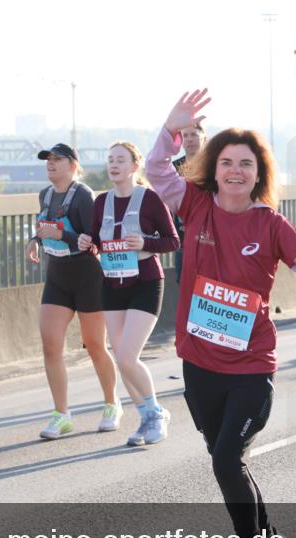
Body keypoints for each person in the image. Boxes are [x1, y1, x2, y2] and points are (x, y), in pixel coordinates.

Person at [147, 93, 296, 538]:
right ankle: (269, 536)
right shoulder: (195, 205)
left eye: (246, 165)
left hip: (251, 365)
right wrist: (172, 127)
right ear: (215, 169)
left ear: (259, 174)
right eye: (228, 163)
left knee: (226, 458)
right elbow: (155, 170)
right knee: (225, 457)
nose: (235, 171)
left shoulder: (270, 224)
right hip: (199, 363)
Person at [80, 142, 179, 445]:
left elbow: (172, 241)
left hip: (145, 281)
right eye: (110, 160)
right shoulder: (101, 202)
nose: (114, 165)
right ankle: (145, 416)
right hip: (112, 284)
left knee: (126, 355)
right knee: (122, 359)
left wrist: (146, 243)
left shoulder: (149, 199)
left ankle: (155, 412)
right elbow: (98, 242)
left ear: (135, 167)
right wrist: (88, 243)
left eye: (120, 160)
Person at [25, 143, 122, 439]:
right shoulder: (45, 194)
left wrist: (63, 235)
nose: (50, 164)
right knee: (50, 346)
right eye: (48, 160)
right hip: (57, 276)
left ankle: (111, 404)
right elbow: (46, 227)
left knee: (94, 346)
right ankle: (62, 414)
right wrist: (35, 240)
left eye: (57, 160)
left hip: (88, 277)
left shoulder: (83, 196)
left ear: (73, 165)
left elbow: (95, 240)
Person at [171, 123, 207, 285]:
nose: (190, 139)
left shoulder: (215, 166)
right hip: (182, 237)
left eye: (194, 135)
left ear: (203, 138)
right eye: (185, 136)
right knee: (185, 285)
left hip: (210, 237)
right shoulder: (173, 168)